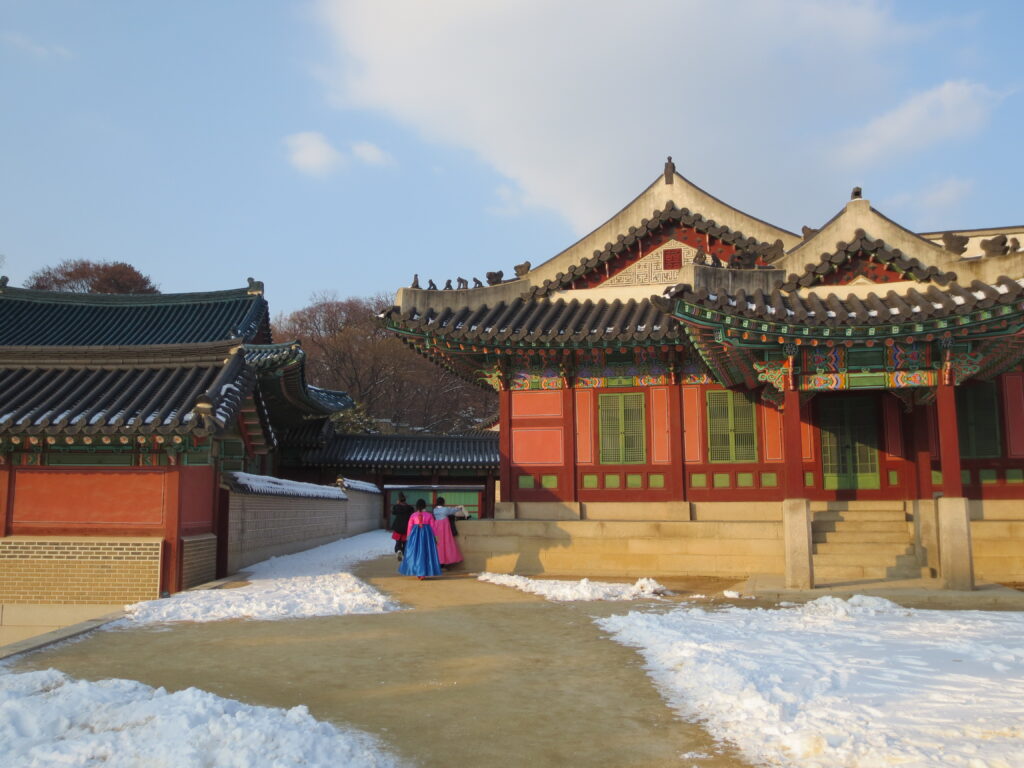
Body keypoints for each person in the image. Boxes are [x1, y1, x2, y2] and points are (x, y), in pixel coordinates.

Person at [399, 499, 441, 579]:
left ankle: (418, 571)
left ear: (417, 506)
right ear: (425, 506)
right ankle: (423, 572)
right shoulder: (429, 515)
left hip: (415, 536)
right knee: (426, 552)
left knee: (415, 552)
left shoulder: (413, 515)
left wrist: (408, 536)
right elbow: (433, 527)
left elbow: (410, 527)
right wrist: (435, 536)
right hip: (427, 536)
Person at [430, 496, 463, 569]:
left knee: (439, 545)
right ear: (443, 503)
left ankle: (439, 561)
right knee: (447, 544)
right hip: (445, 529)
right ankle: (446, 561)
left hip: (437, 528)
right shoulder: (445, 509)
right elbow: (453, 510)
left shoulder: (434, 510)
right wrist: (459, 508)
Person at [389, 493, 414, 561]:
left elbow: (393, 512)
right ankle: (404, 553)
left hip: (398, 527)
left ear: (399, 501)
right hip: (406, 528)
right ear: (405, 500)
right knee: (405, 542)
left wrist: (397, 504)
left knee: (398, 541)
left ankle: (398, 550)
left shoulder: (397, 507)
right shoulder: (410, 507)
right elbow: (412, 513)